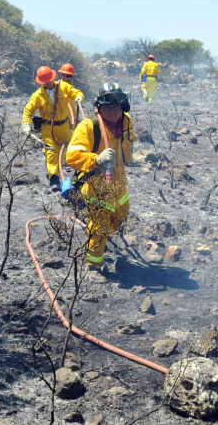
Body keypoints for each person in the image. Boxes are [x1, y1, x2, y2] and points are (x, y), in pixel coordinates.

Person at [66, 82, 136, 282]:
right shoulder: (89, 126)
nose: (113, 110)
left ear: (123, 106)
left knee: (121, 213)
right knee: (100, 225)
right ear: (99, 107)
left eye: (117, 106)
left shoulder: (126, 121)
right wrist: (96, 159)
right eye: (108, 106)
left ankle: (99, 241)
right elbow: (71, 156)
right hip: (97, 184)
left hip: (119, 183)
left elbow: (128, 147)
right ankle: (94, 265)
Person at [21, 66, 84, 191]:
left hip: (65, 127)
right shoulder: (37, 96)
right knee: (51, 153)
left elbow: (74, 92)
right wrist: (26, 124)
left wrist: (79, 97)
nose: (48, 83)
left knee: (71, 151)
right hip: (48, 129)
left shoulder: (63, 87)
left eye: (49, 80)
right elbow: (28, 111)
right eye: (45, 82)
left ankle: (78, 179)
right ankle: (54, 180)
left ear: (53, 78)